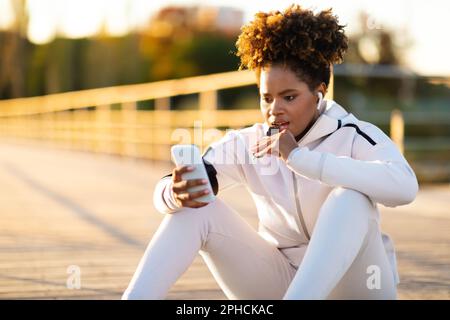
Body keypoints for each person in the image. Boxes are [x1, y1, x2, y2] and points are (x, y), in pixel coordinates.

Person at [122, 4, 418, 300]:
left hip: (357, 287)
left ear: (319, 92)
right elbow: (173, 188)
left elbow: (404, 187)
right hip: (284, 283)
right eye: (267, 98)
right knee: (198, 207)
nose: (275, 110)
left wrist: (300, 159)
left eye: (289, 97)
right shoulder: (250, 142)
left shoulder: (352, 135)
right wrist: (174, 192)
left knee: (351, 198)